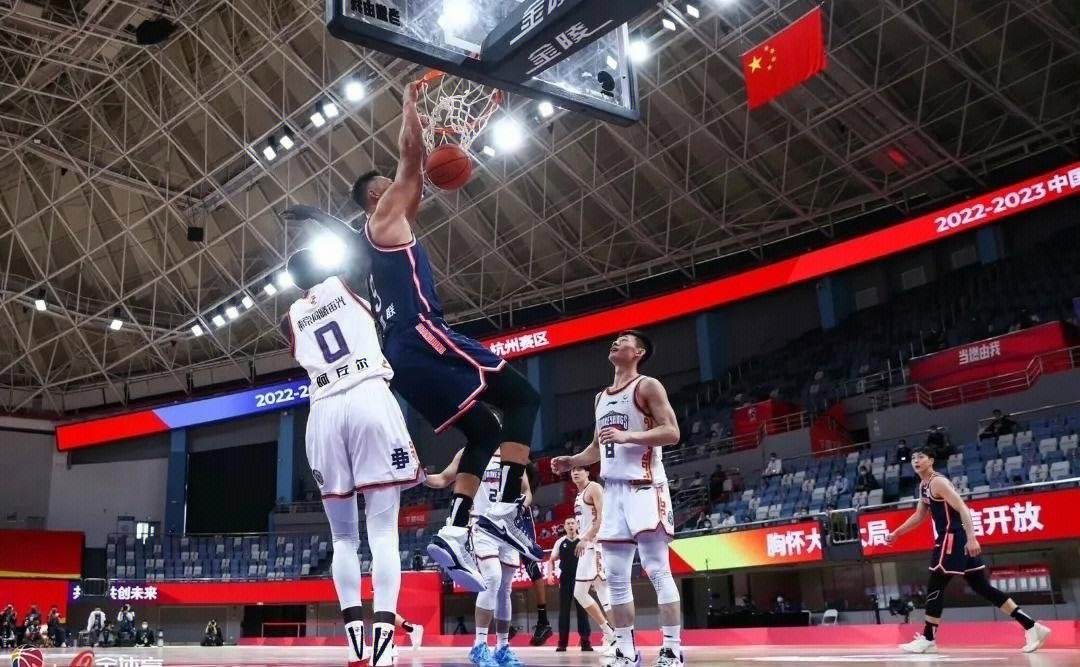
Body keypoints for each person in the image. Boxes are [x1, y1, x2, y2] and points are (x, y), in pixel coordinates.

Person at [289, 81, 543, 589]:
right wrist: (409, 108)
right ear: (377, 196)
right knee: (523, 398)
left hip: (400, 359)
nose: (404, 188)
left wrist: (321, 217)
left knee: (485, 432)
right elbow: (411, 158)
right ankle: (506, 508)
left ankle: (456, 529)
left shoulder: (373, 241)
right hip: (422, 332)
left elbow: (408, 193)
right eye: (390, 185)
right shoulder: (385, 219)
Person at [281, 244, 423, 666]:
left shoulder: (289, 318)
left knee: (342, 538)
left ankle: (356, 646)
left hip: (323, 412)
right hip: (366, 395)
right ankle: (384, 646)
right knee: (383, 534)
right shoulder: (349, 282)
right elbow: (375, 250)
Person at [552, 330, 685, 667]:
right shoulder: (600, 398)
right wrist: (572, 460)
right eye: (615, 340)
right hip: (612, 492)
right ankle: (626, 650)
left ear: (638, 352)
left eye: (624, 340)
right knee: (615, 578)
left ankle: (672, 648)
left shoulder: (647, 386)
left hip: (644, 486)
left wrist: (629, 436)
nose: (616, 342)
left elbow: (672, 432)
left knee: (657, 570)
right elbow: (597, 447)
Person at [887, 444, 1051, 654]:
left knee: (935, 585)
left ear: (931, 460)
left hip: (952, 538)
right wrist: (897, 533)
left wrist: (972, 538)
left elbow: (963, 508)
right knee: (982, 587)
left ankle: (928, 638)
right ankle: (1032, 626)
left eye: (921, 457)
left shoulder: (938, 482)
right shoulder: (924, 485)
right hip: (956, 539)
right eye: (913, 458)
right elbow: (920, 515)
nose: (916, 461)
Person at [425, 446, 533, 667]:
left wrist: (520, 508)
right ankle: (479, 645)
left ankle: (502, 647)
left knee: (505, 589)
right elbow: (443, 478)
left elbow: (527, 492)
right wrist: (419, 476)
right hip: (481, 525)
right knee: (492, 578)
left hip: (507, 528)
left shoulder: (513, 451)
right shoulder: (471, 450)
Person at [568, 465, 617, 655]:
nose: (575, 472)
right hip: (587, 546)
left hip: (595, 545)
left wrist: (587, 538)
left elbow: (602, 517)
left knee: (600, 593)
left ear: (588, 473)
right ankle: (612, 635)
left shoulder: (594, 487)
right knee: (587, 593)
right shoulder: (579, 495)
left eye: (580, 469)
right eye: (573, 470)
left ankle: (618, 638)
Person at [546, 518, 593, 652]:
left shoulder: (583, 540)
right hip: (565, 579)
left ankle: (585, 642)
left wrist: (592, 580)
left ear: (577, 525)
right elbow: (551, 560)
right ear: (565, 527)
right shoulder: (560, 542)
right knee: (564, 612)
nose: (571, 525)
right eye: (568, 523)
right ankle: (562, 643)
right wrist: (550, 575)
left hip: (581, 578)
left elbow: (590, 561)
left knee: (582, 610)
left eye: (573, 523)